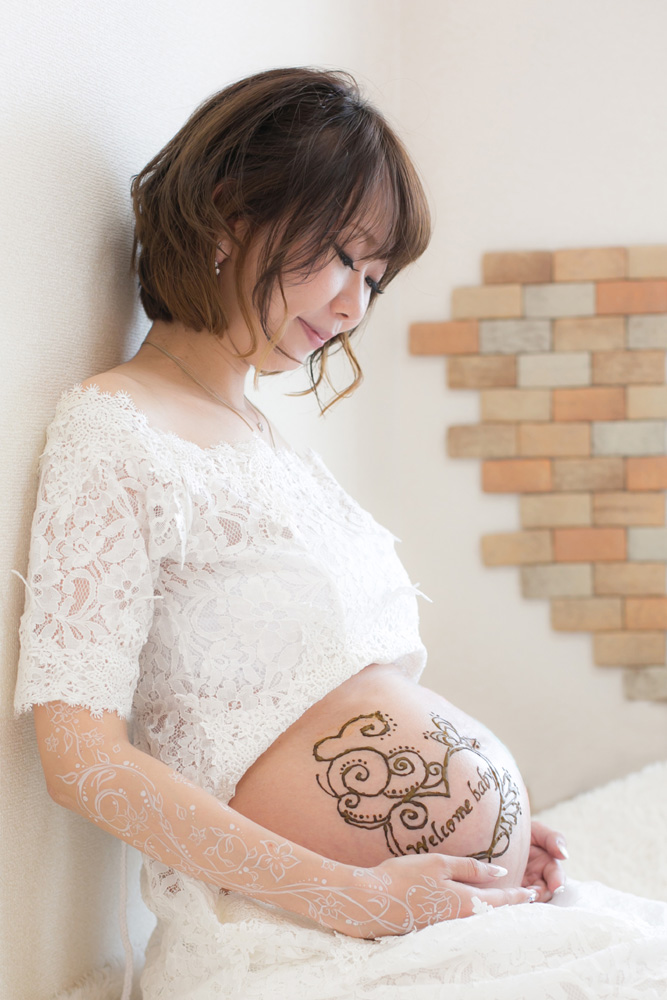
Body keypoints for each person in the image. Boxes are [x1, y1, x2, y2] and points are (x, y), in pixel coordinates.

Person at [14, 68, 666, 1000]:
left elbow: (335, 692)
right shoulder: (115, 429)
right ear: (228, 213)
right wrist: (353, 894)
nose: (355, 306)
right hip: (295, 930)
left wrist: (500, 838)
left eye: (373, 276)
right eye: (339, 256)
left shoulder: (270, 444)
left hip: (406, 919)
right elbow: (80, 759)